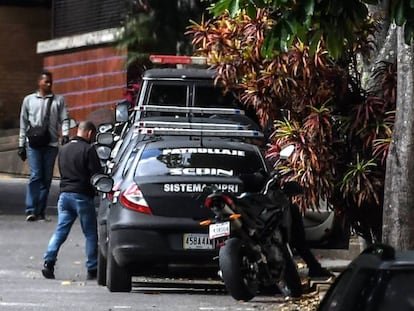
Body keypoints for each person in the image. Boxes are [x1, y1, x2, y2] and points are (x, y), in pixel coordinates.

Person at [41, 120, 102, 280]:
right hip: (81, 196)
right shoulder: (88, 150)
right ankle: (92, 267)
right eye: (93, 135)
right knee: (90, 233)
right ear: (89, 133)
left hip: (64, 196)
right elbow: (96, 174)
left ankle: (49, 261)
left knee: (60, 231)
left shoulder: (64, 149)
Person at [18, 70, 70, 221]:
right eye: (46, 81)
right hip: (33, 144)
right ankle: (30, 209)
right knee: (35, 176)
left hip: (51, 143)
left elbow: (65, 119)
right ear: (39, 82)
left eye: (50, 82)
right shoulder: (29, 100)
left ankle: (40, 211)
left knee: (46, 178)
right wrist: (21, 144)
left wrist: (65, 134)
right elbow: (23, 123)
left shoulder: (58, 100)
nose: (49, 84)